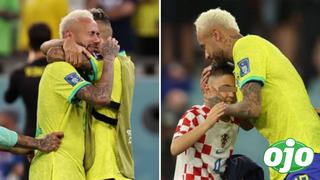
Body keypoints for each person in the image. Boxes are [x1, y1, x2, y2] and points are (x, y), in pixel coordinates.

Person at [194, 8, 320, 180]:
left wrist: (218, 107)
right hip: (286, 158)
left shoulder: (247, 45)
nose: (206, 54)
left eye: (204, 46)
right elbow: (247, 123)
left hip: (302, 151)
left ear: (216, 34)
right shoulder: (243, 67)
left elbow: (252, 108)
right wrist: (216, 92)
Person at [40, 8, 135, 180]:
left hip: (105, 167)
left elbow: (52, 53)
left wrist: (67, 44)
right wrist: (68, 41)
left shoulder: (107, 63)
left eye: (96, 35)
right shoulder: (126, 63)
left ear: (106, 40)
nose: (95, 40)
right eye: (90, 34)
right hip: (118, 166)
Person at [171, 63, 253, 179]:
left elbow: (249, 126)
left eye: (234, 89)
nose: (231, 94)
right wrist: (207, 123)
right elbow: (175, 148)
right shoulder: (194, 114)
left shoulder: (234, 117)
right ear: (207, 89)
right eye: (225, 88)